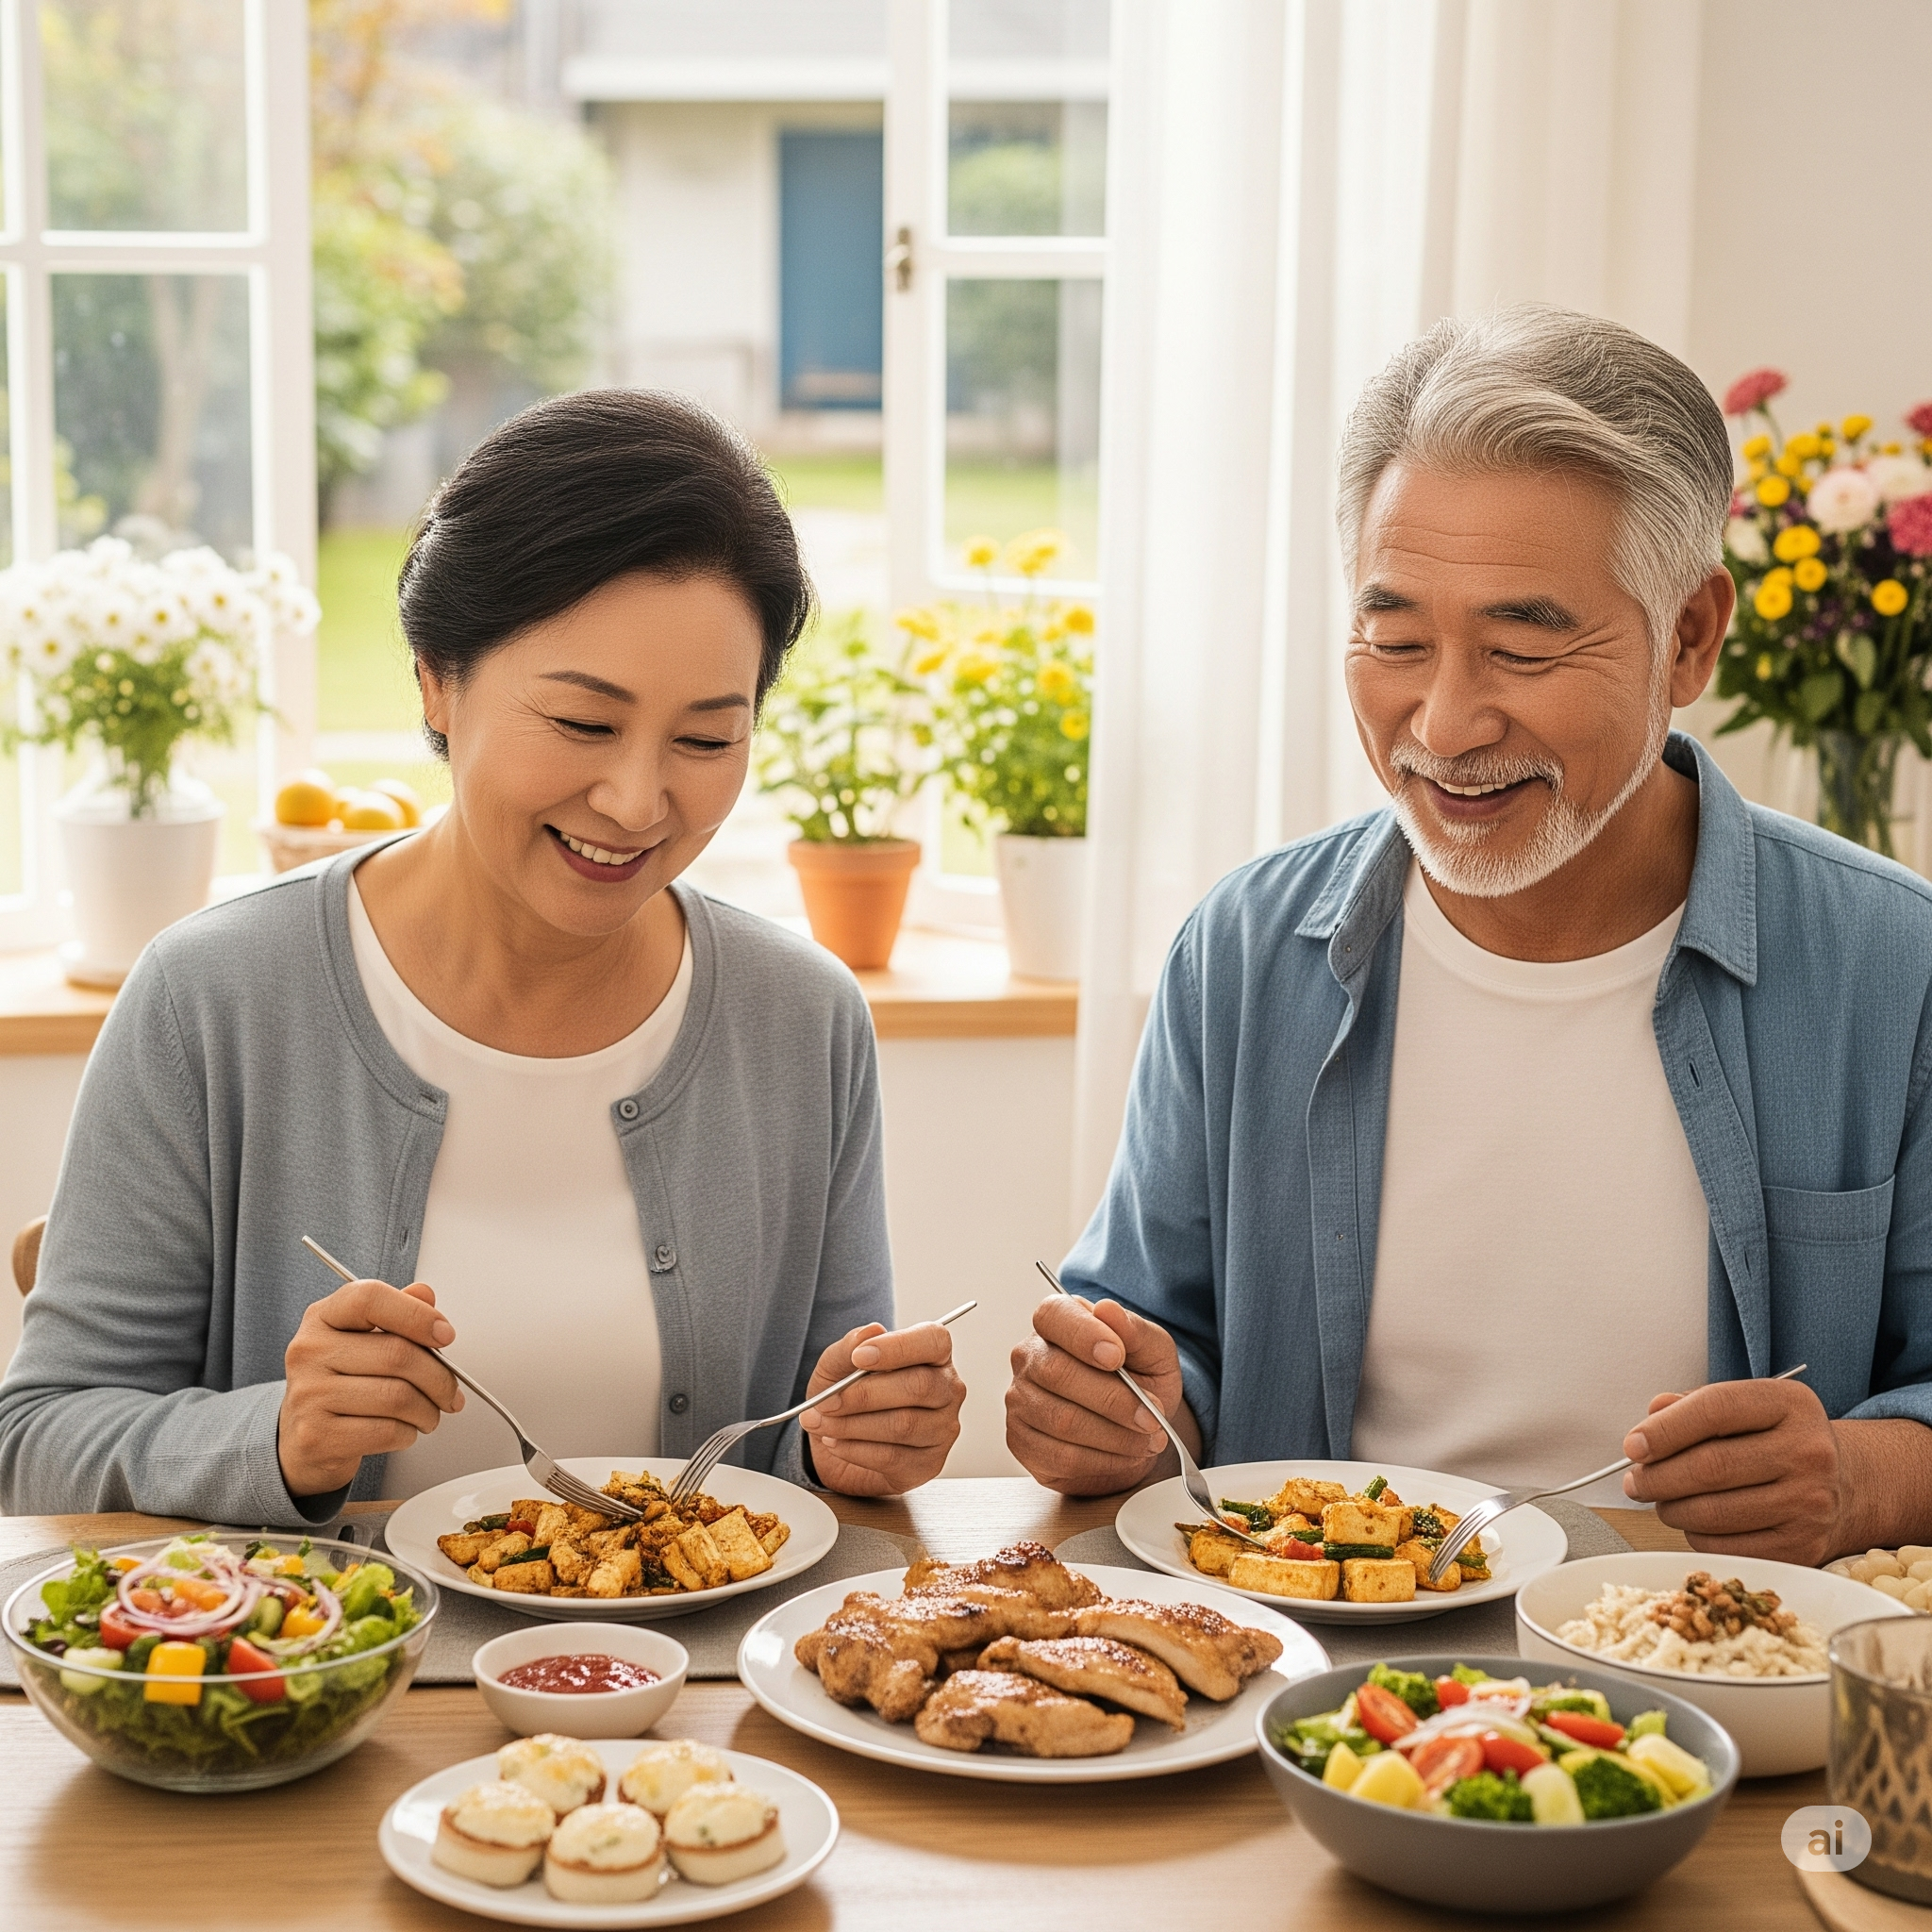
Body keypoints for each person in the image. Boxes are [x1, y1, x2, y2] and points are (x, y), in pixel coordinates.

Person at [1007, 306, 1932, 1564]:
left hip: (1705, 1654)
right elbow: (1155, 1353)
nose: (1443, 726)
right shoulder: (1242, 952)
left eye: (1518, 648)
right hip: (1323, 1655)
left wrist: (1861, 1477)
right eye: (1395, 641)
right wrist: (1120, 1412)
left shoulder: (1891, 968)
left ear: (1691, 636)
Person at [0, 391, 964, 1524]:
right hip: (336, 1647)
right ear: (436, 678)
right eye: (583, 723)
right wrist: (279, 1436)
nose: (637, 800)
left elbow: (810, 1444)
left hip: (712, 1652)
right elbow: (38, 1438)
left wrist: (852, 1443)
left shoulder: (802, 1020)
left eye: (706, 737)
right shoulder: (212, 999)